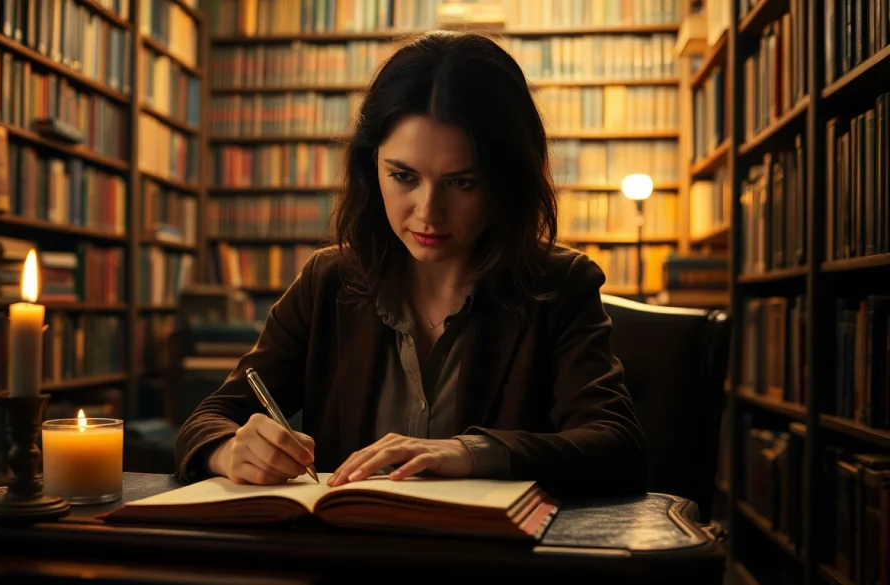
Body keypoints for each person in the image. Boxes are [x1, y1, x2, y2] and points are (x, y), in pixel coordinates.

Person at [176, 31, 648, 499]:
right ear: (371, 167)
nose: (427, 212)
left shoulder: (560, 286)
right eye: (403, 176)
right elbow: (207, 420)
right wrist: (228, 450)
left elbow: (617, 448)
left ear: (505, 180)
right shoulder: (327, 282)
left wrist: (471, 453)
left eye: (461, 183)